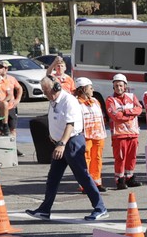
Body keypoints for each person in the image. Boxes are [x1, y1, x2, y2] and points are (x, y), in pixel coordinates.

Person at [25, 77, 108, 221]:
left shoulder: (68, 100)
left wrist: (62, 143)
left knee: (82, 176)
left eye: (46, 91)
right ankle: (45, 209)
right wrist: (54, 136)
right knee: (53, 178)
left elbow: (70, 123)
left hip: (71, 142)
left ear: (56, 88)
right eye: (44, 91)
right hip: (61, 143)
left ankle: (100, 207)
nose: (45, 94)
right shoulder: (53, 100)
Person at [105, 73, 142, 189]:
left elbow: (139, 109)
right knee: (120, 158)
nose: (119, 88)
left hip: (133, 133)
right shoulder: (110, 100)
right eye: (116, 86)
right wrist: (131, 114)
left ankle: (129, 177)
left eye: (121, 85)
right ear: (113, 87)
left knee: (132, 157)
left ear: (125, 86)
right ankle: (120, 179)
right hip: (119, 135)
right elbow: (116, 116)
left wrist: (126, 112)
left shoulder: (132, 97)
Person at [74, 77, 108, 193]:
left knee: (97, 159)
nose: (92, 89)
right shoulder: (76, 103)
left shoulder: (95, 101)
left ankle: (97, 183)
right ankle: (86, 185)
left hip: (98, 135)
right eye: (90, 87)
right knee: (86, 160)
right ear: (83, 89)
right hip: (86, 136)